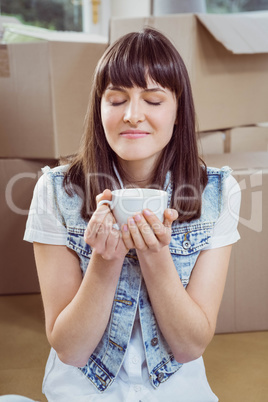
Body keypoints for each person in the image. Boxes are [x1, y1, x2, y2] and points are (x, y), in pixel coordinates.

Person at [24, 28, 241, 401]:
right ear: (99, 109)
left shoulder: (218, 193)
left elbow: (190, 346)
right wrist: (104, 263)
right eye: (117, 99)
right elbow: (70, 350)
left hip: (176, 391)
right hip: (82, 389)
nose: (132, 115)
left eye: (153, 101)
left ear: (178, 112)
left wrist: (156, 257)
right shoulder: (55, 192)